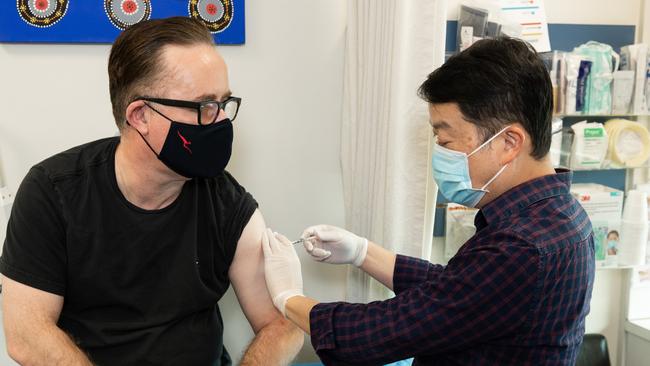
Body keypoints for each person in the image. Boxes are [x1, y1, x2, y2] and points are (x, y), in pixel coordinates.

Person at [262, 37, 595, 365]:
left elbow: (381, 332)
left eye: (446, 139)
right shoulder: (562, 214)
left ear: (509, 142)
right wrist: (363, 252)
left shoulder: (521, 247)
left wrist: (287, 297)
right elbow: (459, 292)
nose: (441, 153)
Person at [0, 17, 303, 365]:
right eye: (203, 106)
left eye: (223, 103)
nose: (219, 120)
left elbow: (282, 322)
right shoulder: (53, 193)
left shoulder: (225, 202)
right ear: (141, 115)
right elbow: (26, 335)